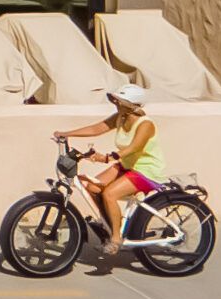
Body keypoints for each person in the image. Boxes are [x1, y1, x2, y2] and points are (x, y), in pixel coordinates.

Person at [55, 83, 166, 256]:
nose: (115, 103)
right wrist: (66, 133)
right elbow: (96, 128)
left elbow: (134, 147)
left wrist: (108, 157)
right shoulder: (120, 117)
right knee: (91, 187)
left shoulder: (146, 124)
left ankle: (115, 239)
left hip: (146, 171)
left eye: (119, 100)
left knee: (109, 194)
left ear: (130, 104)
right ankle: (110, 225)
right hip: (127, 166)